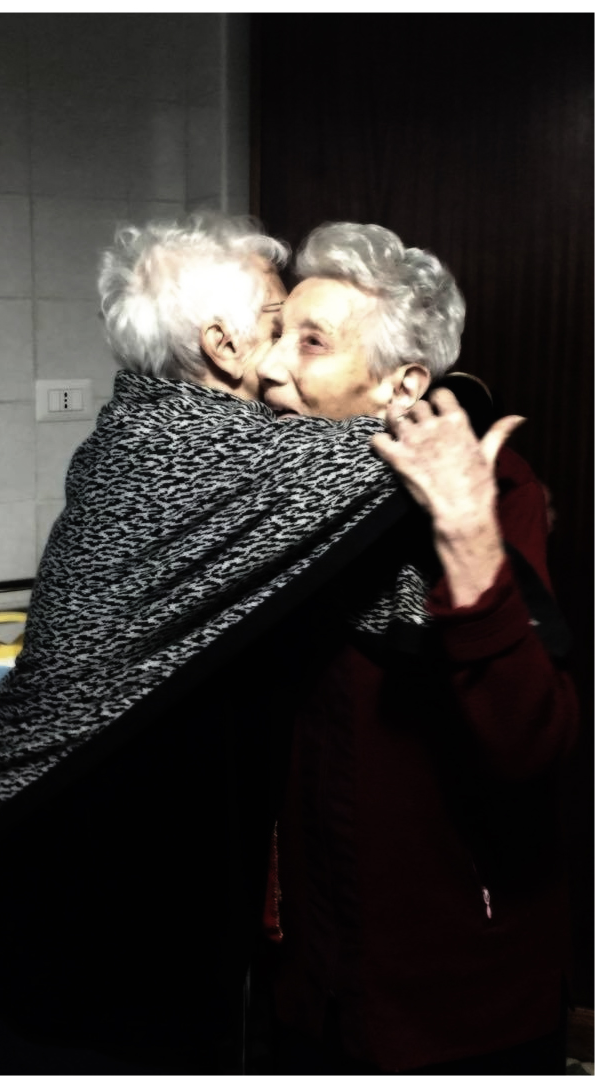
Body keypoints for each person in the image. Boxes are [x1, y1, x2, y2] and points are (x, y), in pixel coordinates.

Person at [0, 214, 424, 1074]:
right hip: (51, 879)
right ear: (223, 345)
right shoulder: (199, 445)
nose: (283, 360)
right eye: (278, 325)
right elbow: (422, 444)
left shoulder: (136, 427)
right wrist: (447, 398)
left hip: (66, 874)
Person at [255, 222, 580, 1074]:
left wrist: (467, 538)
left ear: (399, 383)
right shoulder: (274, 503)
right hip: (311, 973)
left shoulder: (490, 494)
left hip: (458, 993)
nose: (270, 366)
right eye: (277, 333)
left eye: (311, 343)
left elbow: (530, 743)